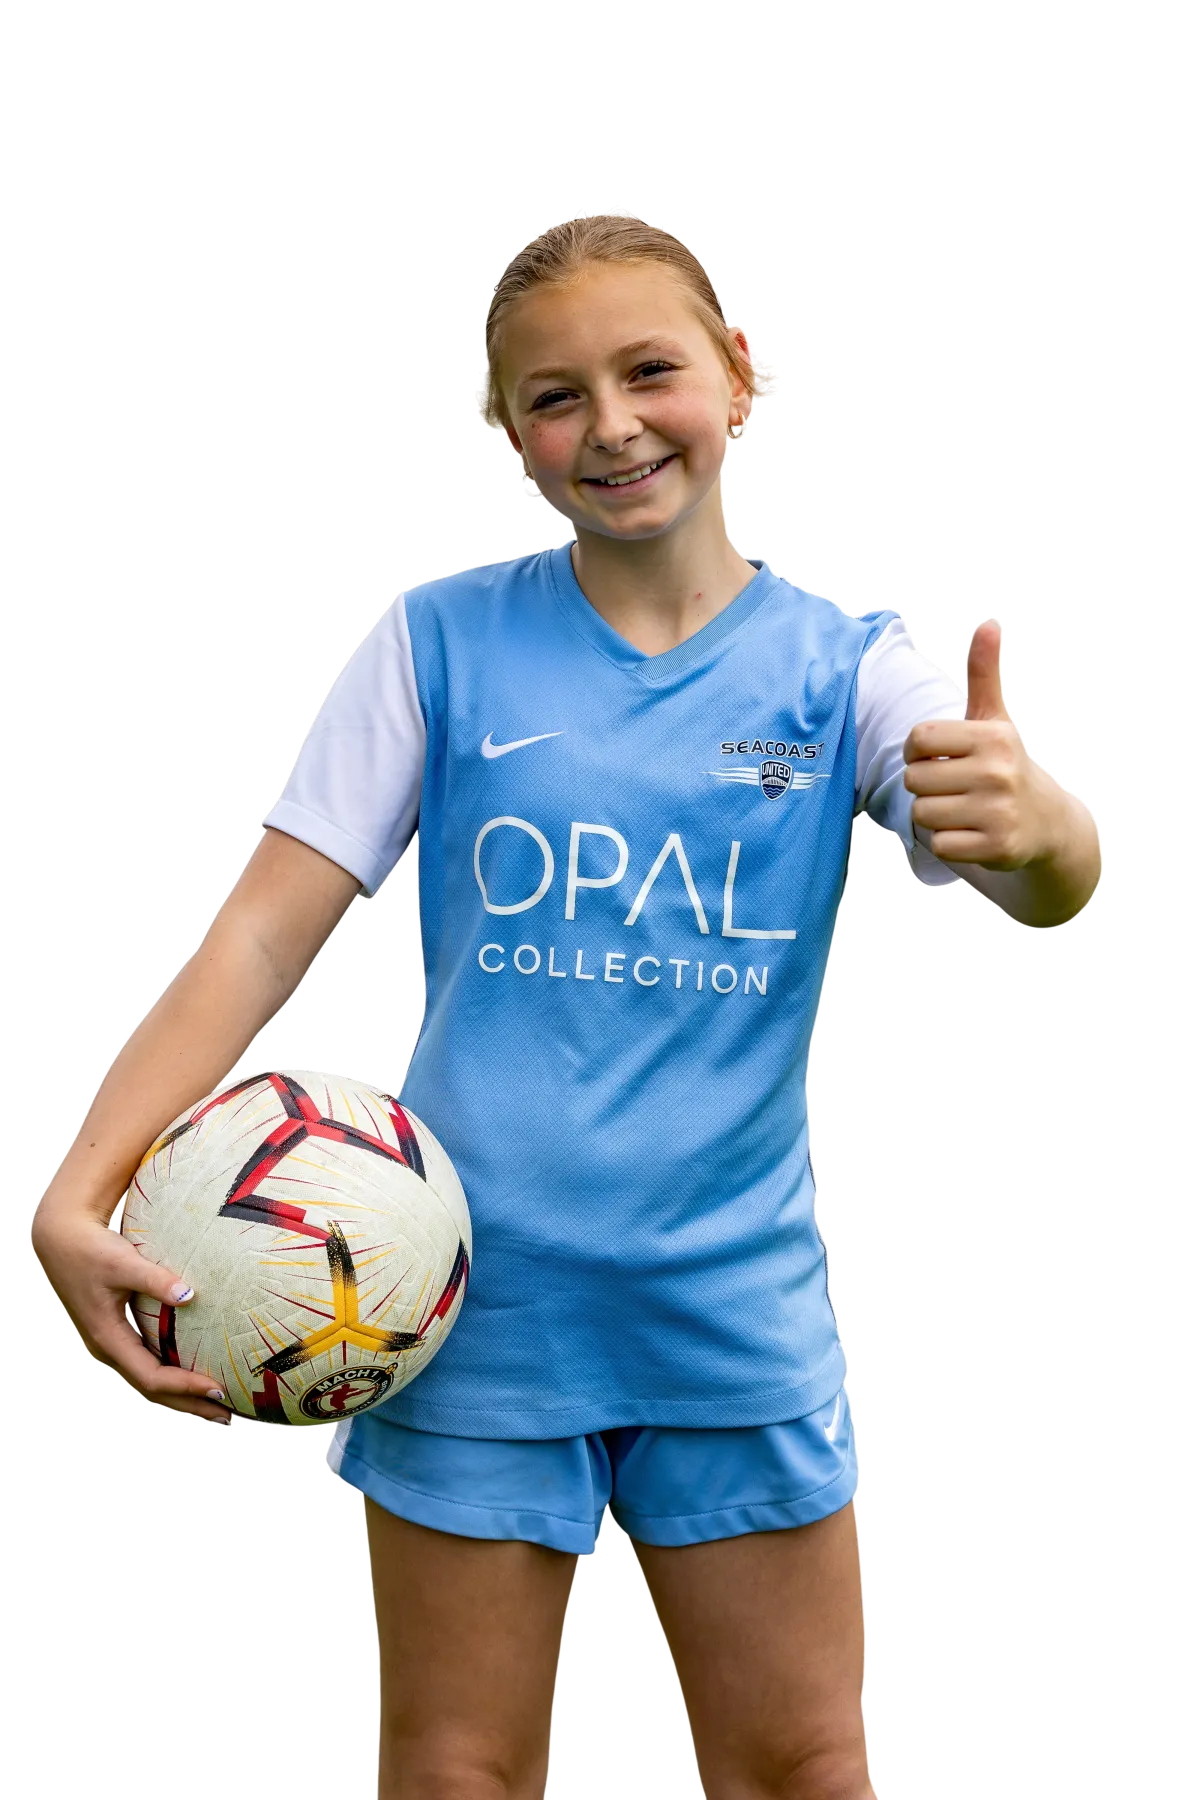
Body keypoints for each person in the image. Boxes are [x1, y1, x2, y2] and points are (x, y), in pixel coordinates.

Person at [31, 210, 1103, 1800]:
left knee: (804, 1767)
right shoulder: (434, 644)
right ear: (506, 430)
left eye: (649, 371)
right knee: (457, 1770)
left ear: (739, 376)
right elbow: (258, 937)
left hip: (730, 1314)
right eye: (553, 396)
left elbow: (1036, 881)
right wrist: (78, 1187)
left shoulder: (851, 674)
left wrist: (1049, 832)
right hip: (461, 1315)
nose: (610, 425)